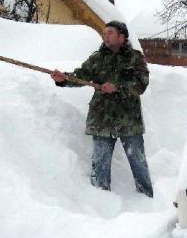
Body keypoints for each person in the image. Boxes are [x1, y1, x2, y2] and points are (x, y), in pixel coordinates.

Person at [50, 21, 154, 197]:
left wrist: (118, 87)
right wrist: (63, 79)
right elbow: (80, 75)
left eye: (111, 32)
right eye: (104, 33)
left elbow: (141, 84)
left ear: (122, 37)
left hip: (128, 119)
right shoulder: (97, 58)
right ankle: (101, 200)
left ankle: (146, 198)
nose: (106, 36)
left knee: (138, 162)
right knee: (100, 164)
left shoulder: (135, 58)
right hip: (102, 119)